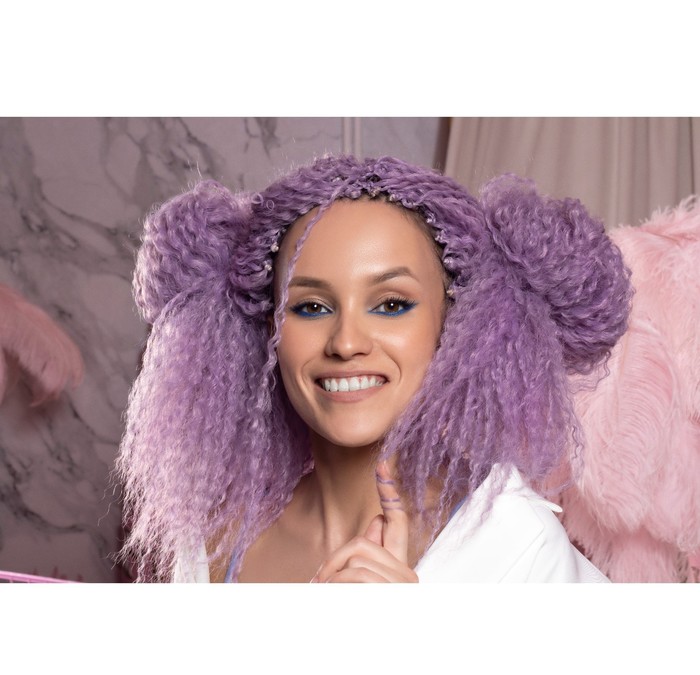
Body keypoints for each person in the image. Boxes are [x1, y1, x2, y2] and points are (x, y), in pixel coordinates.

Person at [116, 155, 632, 583]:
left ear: (452, 326)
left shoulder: (516, 545)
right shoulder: (212, 542)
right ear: (271, 328)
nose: (346, 343)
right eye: (311, 307)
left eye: (390, 305)